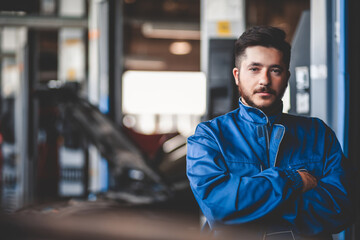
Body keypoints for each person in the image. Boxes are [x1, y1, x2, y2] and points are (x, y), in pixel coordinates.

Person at [186, 26, 354, 240]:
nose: (264, 80)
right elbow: (218, 208)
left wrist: (252, 206)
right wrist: (292, 181)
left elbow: (342, 209)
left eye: (275, 70)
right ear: (237, 76)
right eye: (254, 69)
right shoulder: (210, 137)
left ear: (286, 77)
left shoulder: (318, 134)